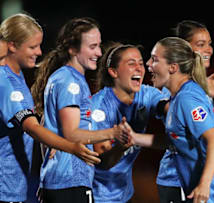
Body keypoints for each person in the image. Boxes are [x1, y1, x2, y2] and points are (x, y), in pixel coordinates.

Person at [124, 36, 214, 203]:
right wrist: (135, 138)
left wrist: (204, 185)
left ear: (173, 67)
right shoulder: (176, 99)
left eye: (155, 60)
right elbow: (176, 141)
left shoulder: (187, 100)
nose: (148, 64)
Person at [0, 13, 100, 203]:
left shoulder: (16, 76)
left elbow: (36, 123)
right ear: (12, 46)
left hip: (14, 188)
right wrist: (71, 147)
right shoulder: (6, 82)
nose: (39, 52)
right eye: (32, 46)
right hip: (5, 190)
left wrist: (50, 143)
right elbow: (32, 127)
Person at [31, 17, 124, 203]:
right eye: (92, 47)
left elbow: (45, 127)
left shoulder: (67, 78)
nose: (99, 52)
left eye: (99, 45)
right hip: (70, 182)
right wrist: (114, 132)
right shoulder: (70, 82)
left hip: (61, 181)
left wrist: (48, 175)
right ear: (72, 49)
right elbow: (71, 133)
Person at [156, 20, 214, 203]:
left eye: (209, 44)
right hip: (179, 180)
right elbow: (175, 125)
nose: (209, 50)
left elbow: (200, 134)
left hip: (206, 176)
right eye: (200, 45)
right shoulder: (176, 89)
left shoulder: (196, 87)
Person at [90, 42, 171, 203]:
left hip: (124, 192)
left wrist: (195, 95)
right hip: (96, 194)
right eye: (131, 63)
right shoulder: (98, 108)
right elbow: (101, 162)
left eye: (141, 63)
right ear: (113, 72)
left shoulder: (147, 94)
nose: (139, 68)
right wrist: (120, 148)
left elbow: (173, 112)